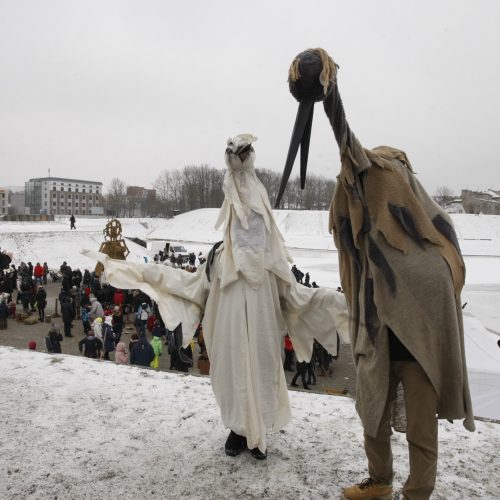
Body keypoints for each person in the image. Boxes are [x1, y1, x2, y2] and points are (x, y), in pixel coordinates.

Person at [277, 48, 475, 500]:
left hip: (420, 351)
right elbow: (352, 153)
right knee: (373, 418)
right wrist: (328, 96)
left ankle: (418, 492)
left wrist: (332, 97)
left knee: (422, 432)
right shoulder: (367, 251)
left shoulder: (433, 247)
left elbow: (358, 157)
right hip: (380, 342)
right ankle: (380, 481)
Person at [82, 134, 348, 459]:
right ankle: (238, 430)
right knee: (234, 380)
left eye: (256, 223)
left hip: (263, 340)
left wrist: (338, 303)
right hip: (228, 339)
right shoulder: (218, 260)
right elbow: (189, 286)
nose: (249, 228)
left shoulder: (272, 264)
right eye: (243, 222)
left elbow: (297, 298)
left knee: (261, 379)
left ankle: (257, 434)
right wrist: (140, 272)